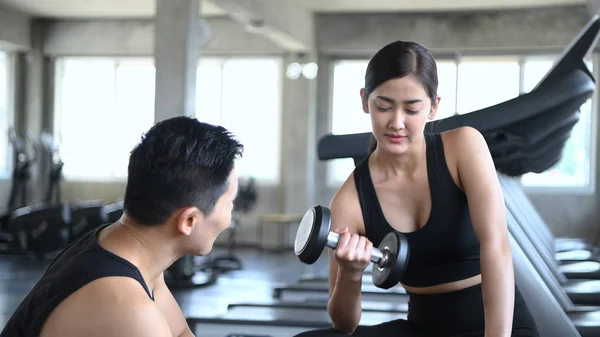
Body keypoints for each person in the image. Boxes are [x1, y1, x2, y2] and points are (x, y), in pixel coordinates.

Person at [295, 41, 540, 337]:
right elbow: (344, 324)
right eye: (383, 106)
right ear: (364, 101)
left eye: (412, 109)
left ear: (434, 106)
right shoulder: (350, 200)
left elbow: (497, 247)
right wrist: (350, 272)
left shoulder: (464, 147)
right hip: (423, 327)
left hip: (496, 325)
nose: (396, 123)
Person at [1, 116, 243, 337]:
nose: (230, 215)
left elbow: (180, 332)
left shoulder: (126, 250)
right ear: (189, 221)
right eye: (230, 203)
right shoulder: (129, 310)